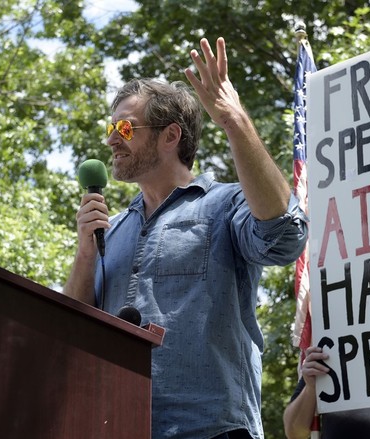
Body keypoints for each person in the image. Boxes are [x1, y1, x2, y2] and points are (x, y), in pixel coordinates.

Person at [63, 37, 308, 439]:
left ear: (170, 136)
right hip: (119, 427)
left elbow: (284, 237)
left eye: (124, 127)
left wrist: (234, 121)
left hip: (212, 431)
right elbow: (69, 330)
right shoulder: (110, 231)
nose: (111, 140)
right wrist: (85, 254)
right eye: (111, 128)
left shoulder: (226, 203)